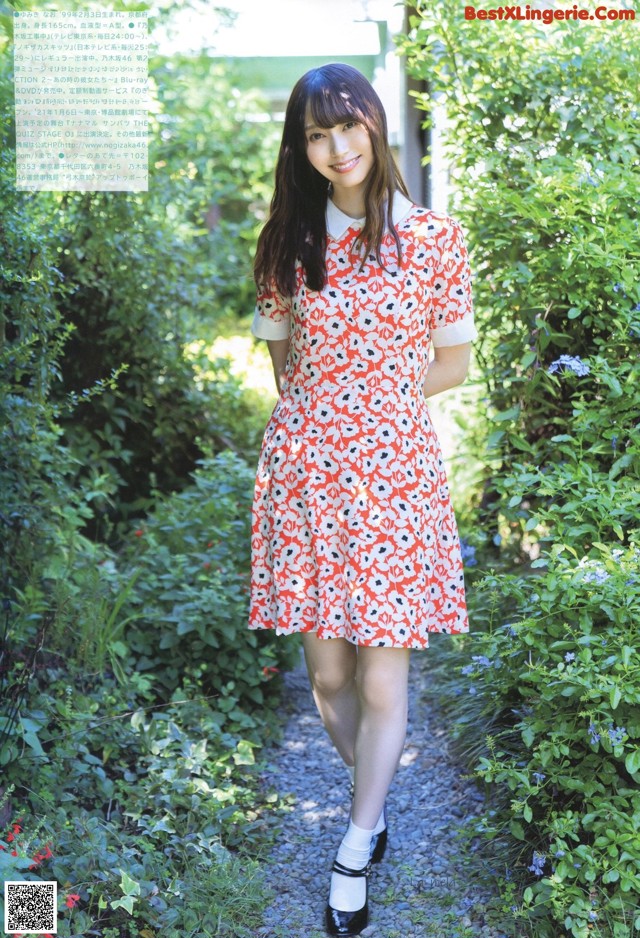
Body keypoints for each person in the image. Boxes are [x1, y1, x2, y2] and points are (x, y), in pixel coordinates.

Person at [248, 62, 477, 937]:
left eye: (347, 125)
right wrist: (328, 417)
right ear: (300, 147)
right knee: (329, 672)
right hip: (308, 475)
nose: (336, 146)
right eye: (316, 133)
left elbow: (453, 362)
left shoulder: (434, 240)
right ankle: (373, 803)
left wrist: (380, 397)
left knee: (384, 673)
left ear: (375, 125)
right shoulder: (283, 241)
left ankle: (352, 847)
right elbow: (284, 368)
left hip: (394, 472)